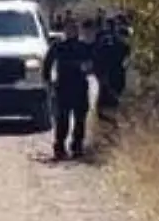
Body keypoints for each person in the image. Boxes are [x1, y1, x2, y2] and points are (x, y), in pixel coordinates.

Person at [44, 17, 97, 159]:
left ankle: (77, 146)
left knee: (80, 120)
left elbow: (93, 64)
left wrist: (87, 67)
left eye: (74, 28)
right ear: (64, 31)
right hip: (63, 87)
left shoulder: (84, 47)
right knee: (62, 120)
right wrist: (48, 81)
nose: (71, 31)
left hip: (80, 87)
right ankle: (59, 147)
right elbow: (47, 63)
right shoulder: (58, 46)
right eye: (69, 28)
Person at [94, 17, 124, 117]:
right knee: (113, 99)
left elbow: (97, 56)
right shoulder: (119, 40)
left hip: (108, 73)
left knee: (105, 99)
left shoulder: (102, 39)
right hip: (115, 73)